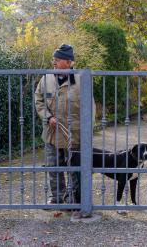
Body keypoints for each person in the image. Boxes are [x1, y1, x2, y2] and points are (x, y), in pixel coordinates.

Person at [35, 44, 95, 205]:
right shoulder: (46, 78)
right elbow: (39, 100)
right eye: (53, 59)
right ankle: (56, 197)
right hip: (52, 133)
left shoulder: (82, 80)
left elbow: (90, 108)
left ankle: (73, 198)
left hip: (74, 134)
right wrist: (47, 117)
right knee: (53, 167)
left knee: (74, 168)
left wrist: (87, 133)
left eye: (58, 59)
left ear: (69, 63)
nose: (54, 62)